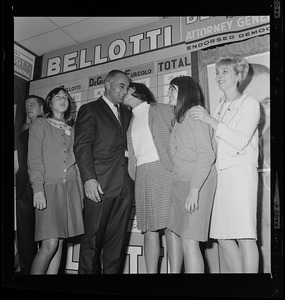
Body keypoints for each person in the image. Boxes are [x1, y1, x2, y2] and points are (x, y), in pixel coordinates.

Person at [189, 54, 260, 273]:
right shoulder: (218, 107)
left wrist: (209, 120)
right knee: (222, 236)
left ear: (238, 75)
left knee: (245, 236)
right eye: (217, 72)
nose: (219, 76)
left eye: (225, 71)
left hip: (240, 175)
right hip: (219, 177)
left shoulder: (249, 103)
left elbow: (239, 140)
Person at [74, 70, 134, 274]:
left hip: (124, 187)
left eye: (127, 87)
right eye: (121, 86)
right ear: (107, 85)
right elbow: (82, 146)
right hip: (99, 185)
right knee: (92, 242)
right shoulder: (90, 109)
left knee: (116, 246)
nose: (125, 91)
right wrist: (89, 179)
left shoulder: (127, 112)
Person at [28, 87, 84, 274]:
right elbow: (34, 160)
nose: (63, 100)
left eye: (66, 98)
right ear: (49, 102)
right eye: (58, 97)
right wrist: (38, 189)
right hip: (48, 188)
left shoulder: (73, 129)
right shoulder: (40, 124)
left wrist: (81, 195)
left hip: (71, 189)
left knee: (60, 242)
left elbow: (76, 164)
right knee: (50, 243)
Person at [166, 76, 217, 273]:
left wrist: (194, 190)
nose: (168, 93)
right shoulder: (179, 119)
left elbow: (206, 155)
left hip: (198, 184)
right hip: (181, 185)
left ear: (184, 92)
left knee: (189, 240)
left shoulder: (194, 115)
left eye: (172, 90)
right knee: (182, 237)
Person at [123, 82, 176, 273]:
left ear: (137, 92)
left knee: (171, 227)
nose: (122, 92)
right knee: (148, 229)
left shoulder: (163, 109)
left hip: (163, 170)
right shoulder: (130, 119)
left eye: (125, 89)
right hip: (141, 174)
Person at [15, 95, 44, 274]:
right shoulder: (23, 132)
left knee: (47, 236)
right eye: (26, 106)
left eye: (33, 104)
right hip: (23, 187)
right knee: (25, 235)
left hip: (42, 187)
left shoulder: (48, 126)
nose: (28, 108)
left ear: (42, 108)